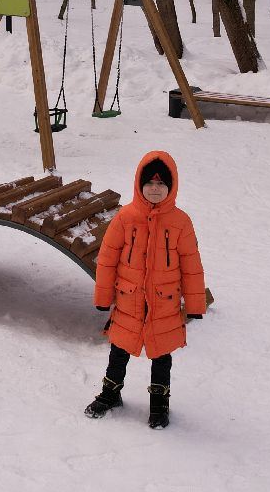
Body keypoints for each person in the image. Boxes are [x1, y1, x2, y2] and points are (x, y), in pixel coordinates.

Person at [84, 151, 206, 429]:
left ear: (171, 187)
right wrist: (103, 298)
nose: (154, 189)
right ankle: (109, 394)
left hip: (165, 303)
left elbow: (191, 264)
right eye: (149, 184)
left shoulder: (180, 222)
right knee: (119, 350)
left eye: (161, 185)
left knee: (161, 356)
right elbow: (108, 258)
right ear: (139, 185)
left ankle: (159, 405)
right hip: (129, 299)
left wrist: (196, 305)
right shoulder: (126, 217)